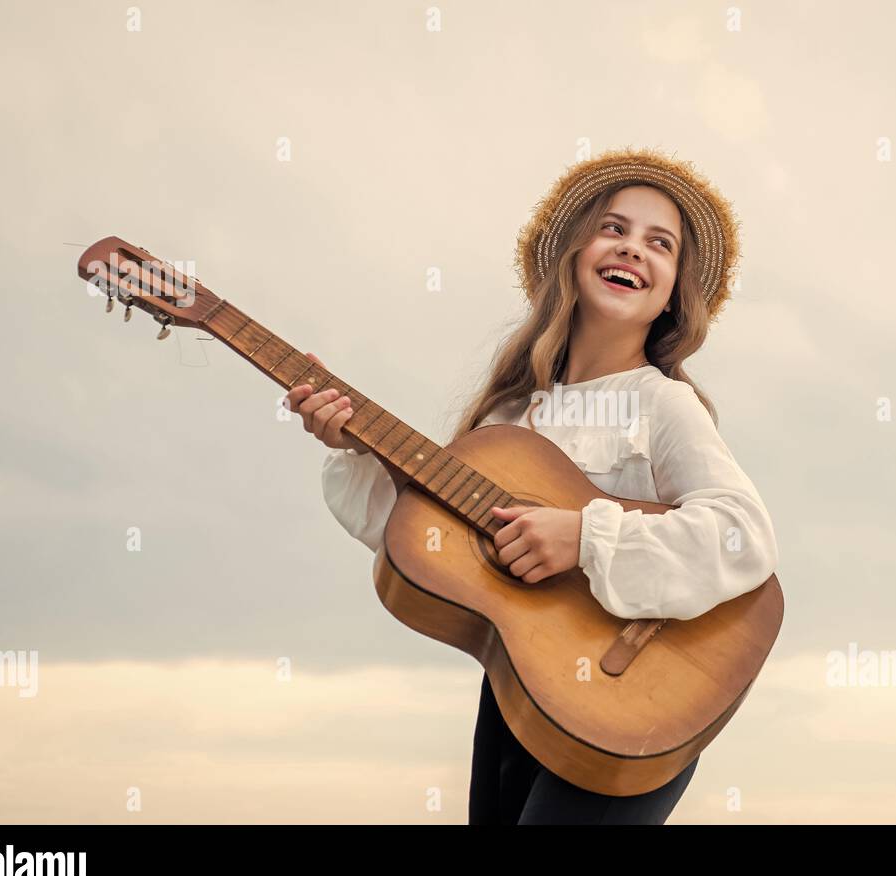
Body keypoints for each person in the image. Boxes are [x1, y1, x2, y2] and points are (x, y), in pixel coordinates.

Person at [285, 147, 779, 824]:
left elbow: (743, 534)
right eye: (613, 228)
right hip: (522, 692)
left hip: (628, 698)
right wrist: (352, 447)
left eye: (659, 243)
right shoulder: (506, 419)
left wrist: (585, 538)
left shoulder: (662, 406)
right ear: (574, 254)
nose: (633, 248)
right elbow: (419, 542)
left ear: (673, 293)